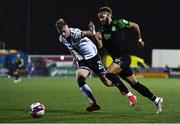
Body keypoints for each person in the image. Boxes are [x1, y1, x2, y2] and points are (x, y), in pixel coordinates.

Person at [90, 6, 163, 114]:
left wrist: (139, 39)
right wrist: (94, 34)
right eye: (99, 18)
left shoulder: (118, 23)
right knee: (135, 84)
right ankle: (156, 100)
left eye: (102, 17)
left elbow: (135, 26)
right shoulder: (102, 30)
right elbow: (100, 46)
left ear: (109, 15)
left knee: (109, 74)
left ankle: (130, 95)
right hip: (118, 60)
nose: (100, 20)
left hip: (124, 57)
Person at [55, 18, 137, 112]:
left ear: (67, 27)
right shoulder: (62, 39)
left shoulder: (76, 33)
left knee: (108, 83)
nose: (63, 34)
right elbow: (70, 47)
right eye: (60, 32)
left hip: (93, 57)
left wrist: (92, 31)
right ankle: (94, 104)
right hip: (83, 60)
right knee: (79, 77)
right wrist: (74, 57)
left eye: (64, 31)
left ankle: (126, 91)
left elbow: (88, 33)